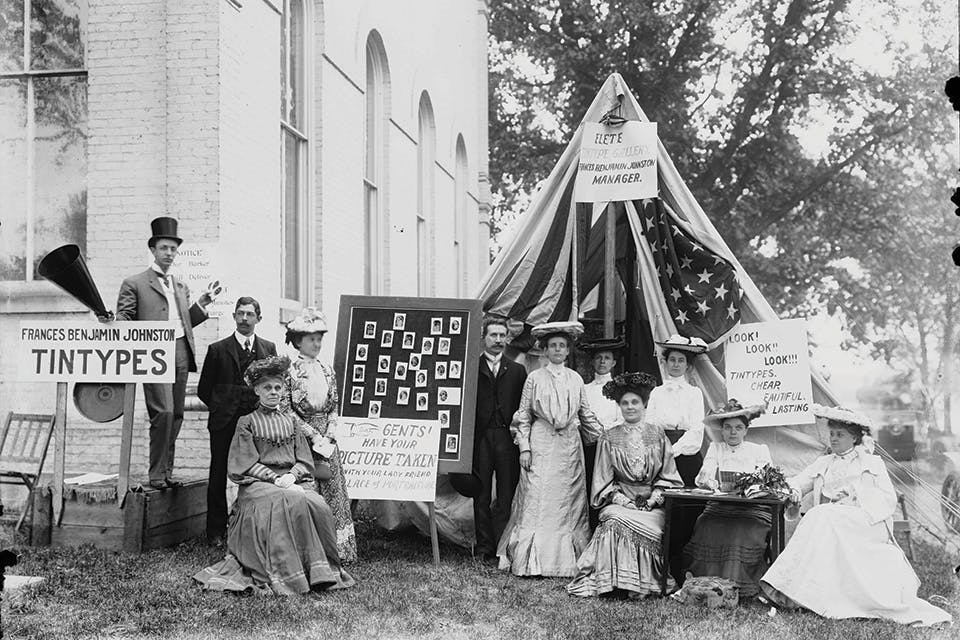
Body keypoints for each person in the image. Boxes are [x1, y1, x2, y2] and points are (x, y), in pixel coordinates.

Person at [760, 405, 951, 626]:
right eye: (831, 434)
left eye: (840, 434)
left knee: (820, 515)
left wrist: (856, 495)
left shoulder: (872, 463)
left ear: (854, 438)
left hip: (865, 520)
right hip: (832, 519)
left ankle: (785, 588)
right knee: (820, 515)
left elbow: (887, 499)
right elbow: (799, 482)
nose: (833, 439)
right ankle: (792, 592)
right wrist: (790, 490)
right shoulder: (824, 462)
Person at [193, 356, 355, 595]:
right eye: (267, 388)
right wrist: (275, 479)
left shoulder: (291, 422)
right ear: (257, 390)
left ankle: (319, 571)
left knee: (317, 502)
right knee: (287, 500)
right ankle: (288, 574)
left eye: (278, 388)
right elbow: (243, 463)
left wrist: (292, 475)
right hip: (257, 484)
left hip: (290, 480)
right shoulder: (246, 422)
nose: (273, 392)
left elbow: (304, 460)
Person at [498, 321, 604, 578]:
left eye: (562, 346)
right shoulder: (534, 377)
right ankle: (530, 561)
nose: (557, 350)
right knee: (537, 496)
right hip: (542, 440)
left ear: (568, 351)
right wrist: (524, 447)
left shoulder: (576, 378)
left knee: (567, 499)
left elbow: (585, 414)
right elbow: (523, 415)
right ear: (545, 350)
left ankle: (567, 562)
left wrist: (605, 439)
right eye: (553, 346)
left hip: (568, 443)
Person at [114, 217, 212, 489]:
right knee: (164, 412)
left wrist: (201, 306)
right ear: (153, 250)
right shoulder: (134, 283)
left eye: (173, 249)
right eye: (164, 248)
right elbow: (124, 317)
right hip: (153, 353)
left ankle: (166, 473)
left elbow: (183, 321)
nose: (169, 253)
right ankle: (156, 474)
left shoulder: (180, 286)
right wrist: (118, 323)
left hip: (180, 350)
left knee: (177, 413)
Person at [567, 372, 684, 597]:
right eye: (625, 403)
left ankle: (642, 584)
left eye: (634, 402)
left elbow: (669, 475)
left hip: (651, 503)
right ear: (619, 406)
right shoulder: (609, 437)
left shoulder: (657, 434)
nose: (630, 407)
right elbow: (603, 480)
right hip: (619, 501)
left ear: (644, 404)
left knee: (653, 525)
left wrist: (653, 499)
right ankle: (614, 583)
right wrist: (624, 501)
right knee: (613, 519)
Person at [197, 297, 277, 545]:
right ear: (233, 316)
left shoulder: (268, 349)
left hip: (259, 422)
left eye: (249, 314)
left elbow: (274, 385)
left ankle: (257, 527)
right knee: (219, 472)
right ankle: (216, 532)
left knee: (261, 470)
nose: (244, 318)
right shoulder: (217, 350)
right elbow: (204, 390)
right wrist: (225, 406)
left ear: (258, 319)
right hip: (224, 422)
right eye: (240, 313)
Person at [282, 307, 357, 563]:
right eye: (311, 338)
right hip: (302, 441)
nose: (316, 343)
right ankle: (308, 551)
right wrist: (313, 435)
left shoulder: (327, 370)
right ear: (298, 340)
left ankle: (337, 550)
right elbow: (285, 409)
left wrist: (331, 432)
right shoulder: (289, 371)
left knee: (333, 491)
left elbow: (335, 404)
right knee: (308, 491)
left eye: (319, 338)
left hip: (328, 441)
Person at [682, 400, 771, 597]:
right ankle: (706, 583)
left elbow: (767, 481)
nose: (733, 432)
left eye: (738, 428)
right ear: (722, 430)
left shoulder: (759, 450)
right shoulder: (716, 448)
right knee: (706, 524)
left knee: (740, 529)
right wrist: (709, 481)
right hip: (720, 506)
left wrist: (751, 488)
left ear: (746, 430)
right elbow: (706, 471)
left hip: (752, 509)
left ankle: (741, 584)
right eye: (728, 428)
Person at [467, 317, 527, 564]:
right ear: (484, 338)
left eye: (503, 336)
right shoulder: (472, 368)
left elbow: (523, 410)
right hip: (481, 438)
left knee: (506, 493)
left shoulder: (517, 371)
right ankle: (483, 548)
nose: (499, 341)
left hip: (506, 438)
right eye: (493, 335)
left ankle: (502, 546)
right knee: (480, 494)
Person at [645, 334, 708, 486]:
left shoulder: (694, 393)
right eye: (672, 360)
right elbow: (649, 426)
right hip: (660, 455)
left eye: (681, 360)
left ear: (688, 365)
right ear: (665, 363)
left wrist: (673, 450)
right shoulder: (656, 392)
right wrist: (660, 452)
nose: (676, 364)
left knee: (687, 501)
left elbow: (697, 430)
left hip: (686, 456)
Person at [579, 338, 625, 529]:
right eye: (598, 358)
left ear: (613, 362)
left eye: (607, 358)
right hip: (589, 446)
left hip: (612, 446)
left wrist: (605, 433)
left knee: (611, 486)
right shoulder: (585, 389)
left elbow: (623, 418)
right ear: (592, 361)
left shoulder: (621, 389)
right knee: (589, 485)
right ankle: (589, 527)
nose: (602, 362)